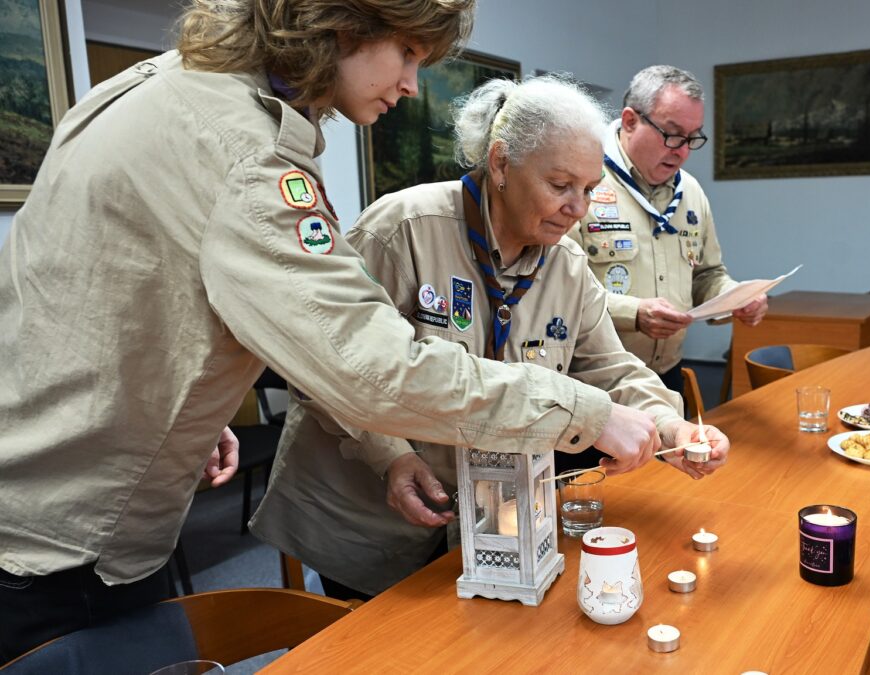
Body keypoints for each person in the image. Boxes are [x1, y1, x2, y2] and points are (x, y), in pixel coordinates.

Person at [0, 1, 659, 660]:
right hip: (61, 548)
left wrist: (179, 410)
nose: (410, 84)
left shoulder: (163, 84)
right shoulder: (249, 157)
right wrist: (583, 411)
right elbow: (372, 367)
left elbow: (84, 290)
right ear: (343, 24)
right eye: (406, 54)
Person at [250, 74, 730, 600]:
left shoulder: (567, 263)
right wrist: (390, 457)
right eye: (560, 185)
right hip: (367, 517)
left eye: (590, 190)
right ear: (501, 163)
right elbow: (328, 367)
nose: (578, 209)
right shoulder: (403, 228)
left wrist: (671, 427)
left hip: (490, 524)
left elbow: (609, 368)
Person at [567, 65, 769, 396]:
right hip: (595, 381)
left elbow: (707, 275)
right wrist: (634, 314)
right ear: (631, 121)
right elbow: (557, 287)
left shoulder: (690, 192)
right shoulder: (583, 180)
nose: (683, 150)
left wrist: (736, 298)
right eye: (672, 134)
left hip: (667, 375)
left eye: (693, 137)